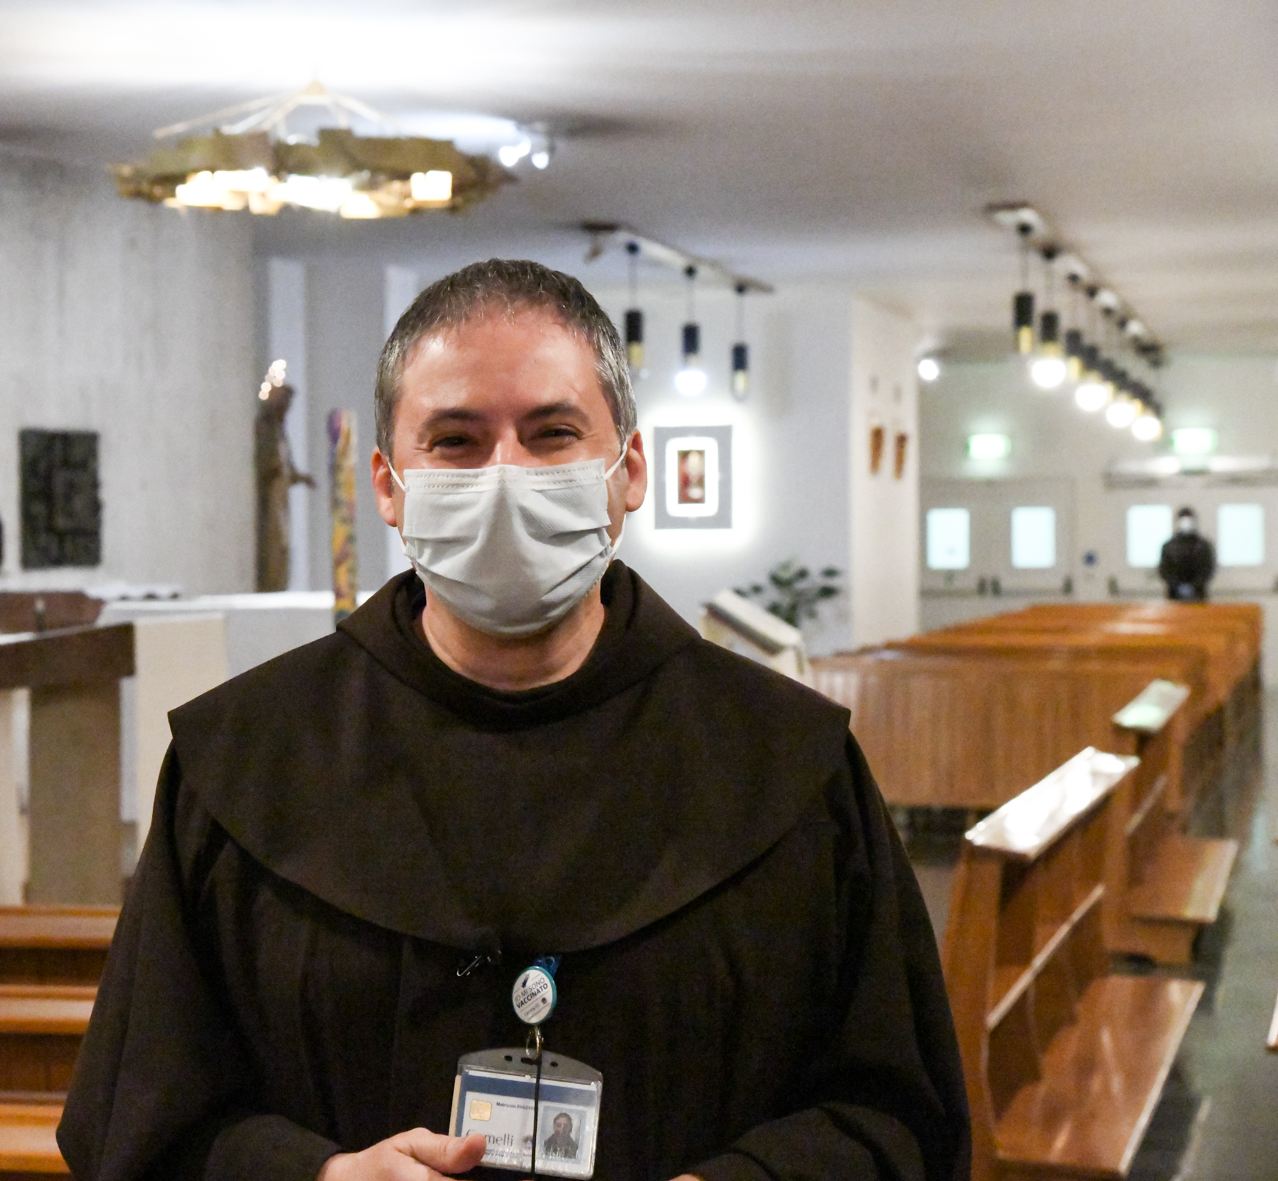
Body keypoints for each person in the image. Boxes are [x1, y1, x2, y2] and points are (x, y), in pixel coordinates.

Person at [58, 259, 970, 1181]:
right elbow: (139, 1120)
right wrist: (319, 1176)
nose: (505, 475)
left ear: (630, 470)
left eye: (552, 433)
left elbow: (898, 1115)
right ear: (388, 485)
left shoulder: (788, 762)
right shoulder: (245, 759)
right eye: (455, 441)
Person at [1159, 507, 1216, 601]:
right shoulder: (1169, 546)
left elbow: (1208, 568)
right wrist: (1177, 586)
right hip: (1174, 595)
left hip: (1198, 595)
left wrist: (1194, 586)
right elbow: (1164, 569)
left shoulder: (1203, 545)